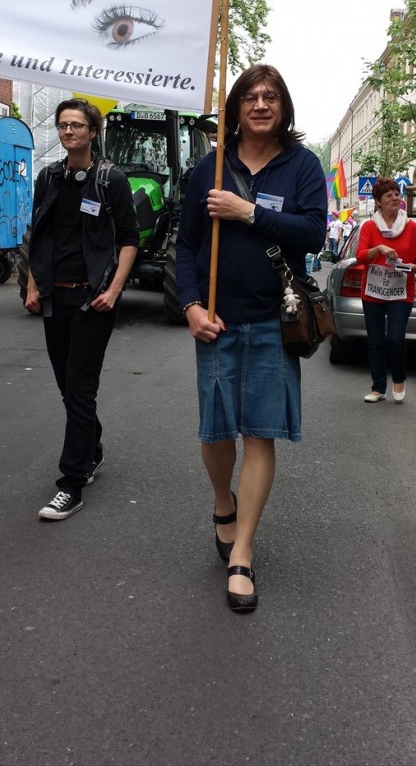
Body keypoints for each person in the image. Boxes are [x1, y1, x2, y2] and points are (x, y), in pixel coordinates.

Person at [176, 64, 326, 612]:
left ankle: (242, 552)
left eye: (271, 96)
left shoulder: (302, 166)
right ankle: (223, 501)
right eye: (250, 97)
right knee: (216, 433)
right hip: (216, 321)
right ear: (235, 109)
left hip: (273, 321)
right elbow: (187, 245)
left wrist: (248, 211)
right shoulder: (208, 167)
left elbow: (312, 232)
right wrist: (191, 305)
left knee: (260, 434)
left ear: (283, 107)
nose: (261, 104)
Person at [25, 98, 139, 521]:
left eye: (76, 125)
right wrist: (33, 284)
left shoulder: (111, 180)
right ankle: (91, 448)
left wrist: (114, 289)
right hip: (56, 296)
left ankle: (71, 483)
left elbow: (128, 239)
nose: (68, 132)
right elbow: (39, 233)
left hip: (94, 299)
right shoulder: (49, 177)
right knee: (66, 386)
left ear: (93, 132)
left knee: (79, 387)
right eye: (62, 126)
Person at [355, 177, 416, 404]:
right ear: (378, 201)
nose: (396, 197)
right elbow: (359, 256)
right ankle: (378, 388)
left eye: (397, 193)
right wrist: (378, 248)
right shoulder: (369, 227)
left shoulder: (411, 227)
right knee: (375, 340)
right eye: (389, 195)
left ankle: (399, 379)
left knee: (395, 338)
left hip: (401, 292)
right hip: (373, 291)